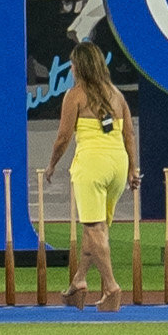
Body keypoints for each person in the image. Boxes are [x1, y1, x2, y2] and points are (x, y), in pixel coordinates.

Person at [60, 42, 136, 311]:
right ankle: (78, 281)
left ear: (80, 66)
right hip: (117, 164)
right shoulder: (117, 95)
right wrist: (132, 170)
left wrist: (51, 165)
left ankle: (112, 287)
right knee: (97, 230)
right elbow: (129, 135)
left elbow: (63, 137)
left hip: (92, 164)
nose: (70, 67)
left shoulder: (76, 95)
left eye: (72, 63)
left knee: (94, 229)